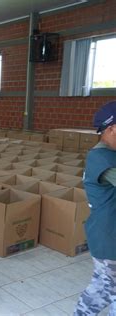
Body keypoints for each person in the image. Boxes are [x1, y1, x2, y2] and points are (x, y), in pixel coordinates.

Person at [74, 101, 116, 316]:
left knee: (108, 286)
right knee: (105, 287)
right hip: (108, 236)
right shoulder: (100, 157)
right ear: (112, 128)